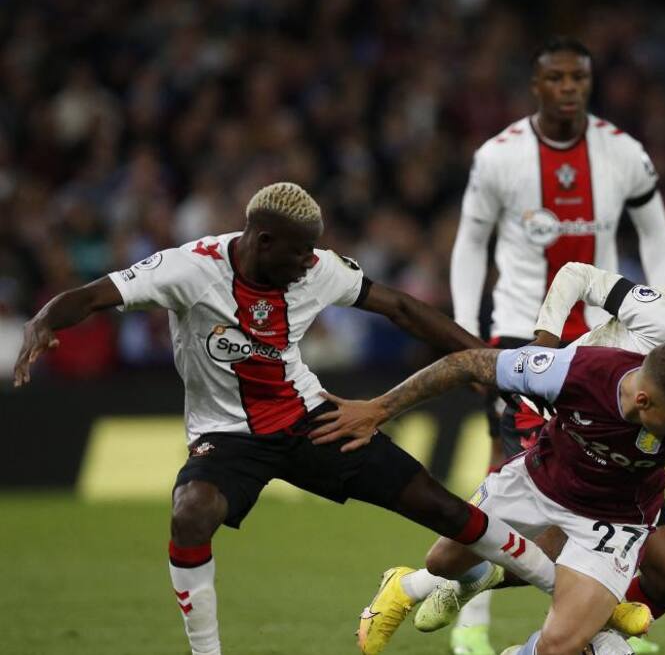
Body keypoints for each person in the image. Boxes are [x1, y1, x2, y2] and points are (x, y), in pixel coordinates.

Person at [11, 183, 565, 655]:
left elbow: (400, 307)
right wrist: (44, 319)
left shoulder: (315, 269)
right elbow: (93, 296)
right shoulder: (189, 268)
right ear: (263, 241)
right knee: (191, 514)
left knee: (442, 508)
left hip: (310, 420)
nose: (309, 263)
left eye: (313, 253)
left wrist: (489, 363)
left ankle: (560, 596)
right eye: (300, 253)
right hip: (226, 437)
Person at [311, 343, 665, 655]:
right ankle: (409, 583)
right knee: (443, 560)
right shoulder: (577, 371)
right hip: (536, 483)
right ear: (645, 402)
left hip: (615, 522)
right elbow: (463, 365)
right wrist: (379, 408)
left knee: (561, 646)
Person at [449, 35, 665, 655]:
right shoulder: (499, 157)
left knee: (593, 484)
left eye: (579, 77)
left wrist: (654, 313)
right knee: (530, 478)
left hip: (606, 341)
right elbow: (471, 245)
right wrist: (472, 335)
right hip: (525, 332)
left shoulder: (624, 153)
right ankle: (470, 606)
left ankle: (577, 626)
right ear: (536, 84)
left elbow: (656, 233)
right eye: (557, 78)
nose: (569, 88)